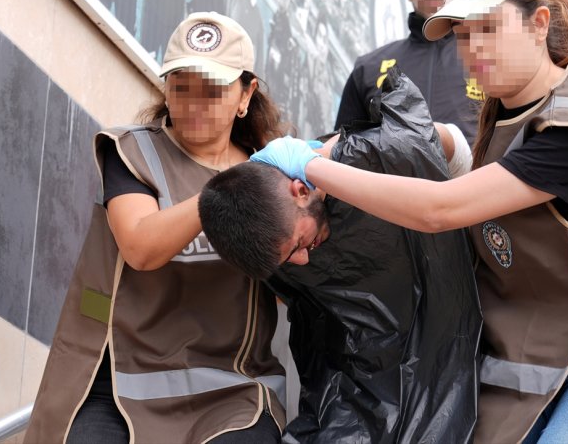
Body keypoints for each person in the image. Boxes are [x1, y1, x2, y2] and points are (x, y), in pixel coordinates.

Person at [251, 0, 568, 444]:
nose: (473, 48)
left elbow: (443, 209)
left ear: (539, 23)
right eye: (461, 34)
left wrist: (310, 165)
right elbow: (488, 169)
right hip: (535, 354)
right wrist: (431, 141)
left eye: (488, 27)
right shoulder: (507, 104)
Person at [26, 13, 289, 444]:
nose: (193, 104)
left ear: (246, 94)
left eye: (212, 90)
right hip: (118, 385)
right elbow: (141, 247)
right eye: (181, 87)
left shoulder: (272, 176)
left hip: (234, 391)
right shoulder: (130, 152)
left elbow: (291, 284)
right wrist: (224, 193)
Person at [199, 68, 480, 443]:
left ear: (302, 190)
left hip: (454, 354)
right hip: (355, 391)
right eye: (287, 261)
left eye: (299, 244)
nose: (300, 261)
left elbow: (445, 151)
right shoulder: (272, 241)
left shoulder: (378, 154)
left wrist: (323, 163)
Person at [334, 0, 481, 143]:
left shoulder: (493, 59)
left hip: (477, 175)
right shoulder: (367, 68)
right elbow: (339, 153)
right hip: (386, 177)